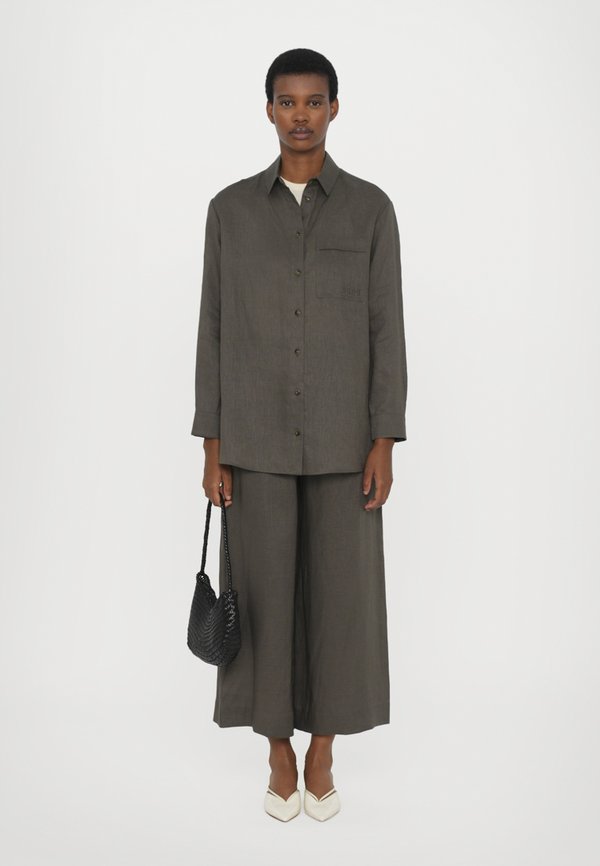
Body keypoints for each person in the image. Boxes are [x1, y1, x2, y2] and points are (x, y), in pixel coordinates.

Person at [191, 47, 408, 822]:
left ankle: (323, 748)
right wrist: (212, 445)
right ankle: (277, 749)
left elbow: (386, 328)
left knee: (342, 601)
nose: (301, 116)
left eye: (315, 101)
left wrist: (384, 439)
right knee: (263, 597)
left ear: (334, 109)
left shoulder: (371, 210)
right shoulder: (230, 211)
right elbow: (213, 328)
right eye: (287, 101)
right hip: (252, 438)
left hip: (346, 443)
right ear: (269, 110)